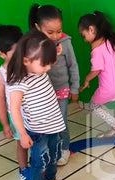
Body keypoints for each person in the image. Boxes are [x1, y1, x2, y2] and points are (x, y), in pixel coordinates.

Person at [7, 30, 68, 180]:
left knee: (53, 156)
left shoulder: (38, 70)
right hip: (37, 131)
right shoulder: (18, 83)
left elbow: (48, 54)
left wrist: (53, 52)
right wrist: (23, 134)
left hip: (53, 126)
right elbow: (14, 110)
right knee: (39, 161)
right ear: (26, 60)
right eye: (45, 64)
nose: (48, 68)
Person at [29, 4, 80, 166]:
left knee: (61, 122)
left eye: (58, 31)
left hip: (61, 90)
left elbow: (73, 66)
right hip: (41, 94)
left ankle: (64, 148)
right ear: (38, 27)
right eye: (50, 32)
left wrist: (75, 88)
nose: (55, 36)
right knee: (45, 125)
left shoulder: (65, 42)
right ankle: (49, 150)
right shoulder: (33, 45)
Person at [0, 25, 30, 180]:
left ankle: (39, 164)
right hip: (17, 117)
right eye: (15, 51)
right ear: (1, 54)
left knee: (37, 141)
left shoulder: (27, 64)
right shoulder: (0, 76)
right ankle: (24, 169)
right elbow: (0, 100)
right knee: (22, 144)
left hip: (33, 113)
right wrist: (5, 124)